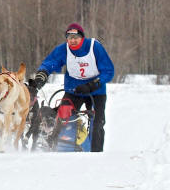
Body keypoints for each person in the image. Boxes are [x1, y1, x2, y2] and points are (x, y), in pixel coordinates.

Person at [29, 23, 114, 152]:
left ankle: (96, 154)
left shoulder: (94, 47)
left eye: (76, 37)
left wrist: (93, 85)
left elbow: (108, 71)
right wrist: (42, 75)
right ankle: (52, 146)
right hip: (74, 91)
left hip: (96, 91)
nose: (73, 40)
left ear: (82, 38)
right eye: (70, 37)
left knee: (98, 122)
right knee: (61, 116)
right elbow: (50, 63)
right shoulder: (63, 49)